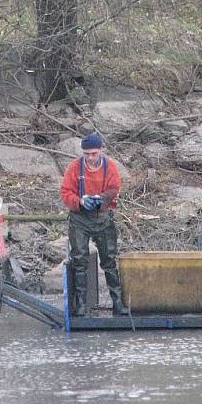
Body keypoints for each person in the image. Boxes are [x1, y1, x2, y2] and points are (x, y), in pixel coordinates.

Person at [60, 132, 128, 316]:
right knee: (79, 260)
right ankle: (80, 304)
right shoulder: (74, 168)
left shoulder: (110, 167)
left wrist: (101, 198)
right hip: (79, 219)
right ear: (83, 153)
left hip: (103, 217)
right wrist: (80, 201)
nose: (90, 157)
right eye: (87, 154)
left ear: (100, 151)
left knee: (109, 260)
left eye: (94, 153)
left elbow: (114, 189)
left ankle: (118, 302)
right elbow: (65, 193)